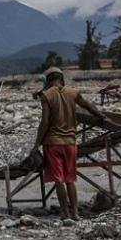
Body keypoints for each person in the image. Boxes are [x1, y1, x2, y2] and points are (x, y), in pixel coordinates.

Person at [32, 67, 106, 220]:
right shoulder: (73, 92)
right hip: (70, 143)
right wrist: (102, 117)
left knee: (59, 180)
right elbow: (88, 106)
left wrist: (36, 144)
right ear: (61, 79)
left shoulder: (47, 95)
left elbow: (45, 122)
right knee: (70, 180)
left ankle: (65, 213)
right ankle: (76, 213)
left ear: (48, 80)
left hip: (53, 143)